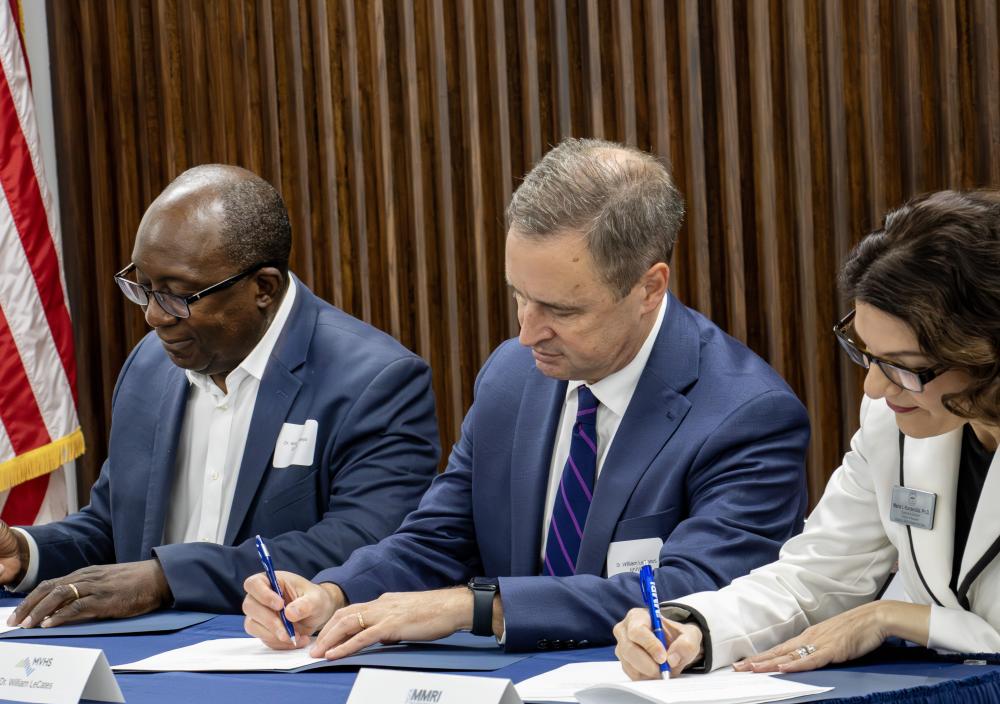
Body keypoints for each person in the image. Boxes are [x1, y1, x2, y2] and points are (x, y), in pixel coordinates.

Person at [243, 137, 810, 658]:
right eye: (520, 296)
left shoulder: (747, 414)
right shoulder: (513, 375)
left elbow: (693, 591)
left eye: (562, 311)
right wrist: (335, 593)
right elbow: (440, 534)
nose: (526, 332)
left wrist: (476, 606)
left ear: (649, 286)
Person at [0, 165, 439, 628]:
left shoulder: (376, 381)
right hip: (138, 656)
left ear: (263, 288)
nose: (153, 316)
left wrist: (168, 578)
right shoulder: (149, 368)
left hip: (276, 656)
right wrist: (25, 553)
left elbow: (360, 545)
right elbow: (115, 527)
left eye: (176, 295)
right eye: (142, 287)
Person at [613, 189, 1000, 680]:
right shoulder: (891, 419)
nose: (874, 387)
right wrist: (693, 626)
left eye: (904, 368)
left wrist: (897, 618)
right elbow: (814, 577)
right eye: (866, 353)